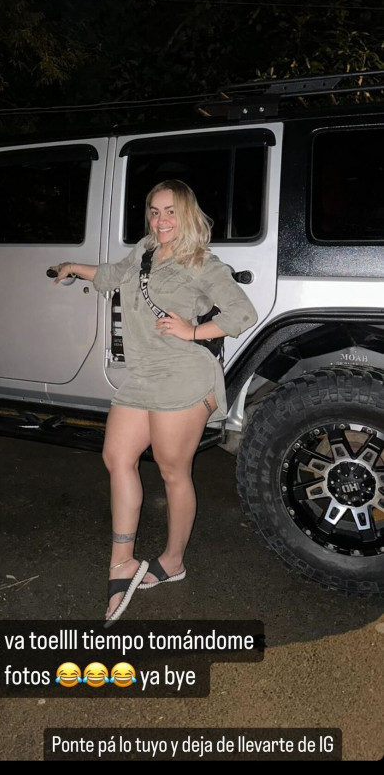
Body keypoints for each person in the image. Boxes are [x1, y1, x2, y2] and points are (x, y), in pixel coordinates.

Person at [51, 180, 258, 622]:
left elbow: (242, 313)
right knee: (116, 457)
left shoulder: (201, 262)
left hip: (183, 375)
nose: (161, 221)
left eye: (170, 212)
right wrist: (74, 267)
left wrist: (194, 331)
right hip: (143, 375)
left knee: (171, 470)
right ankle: (122, 562)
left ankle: (172, 561)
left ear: (187, 214)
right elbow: (112, 275)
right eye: (154, 211)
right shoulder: (145, 250)